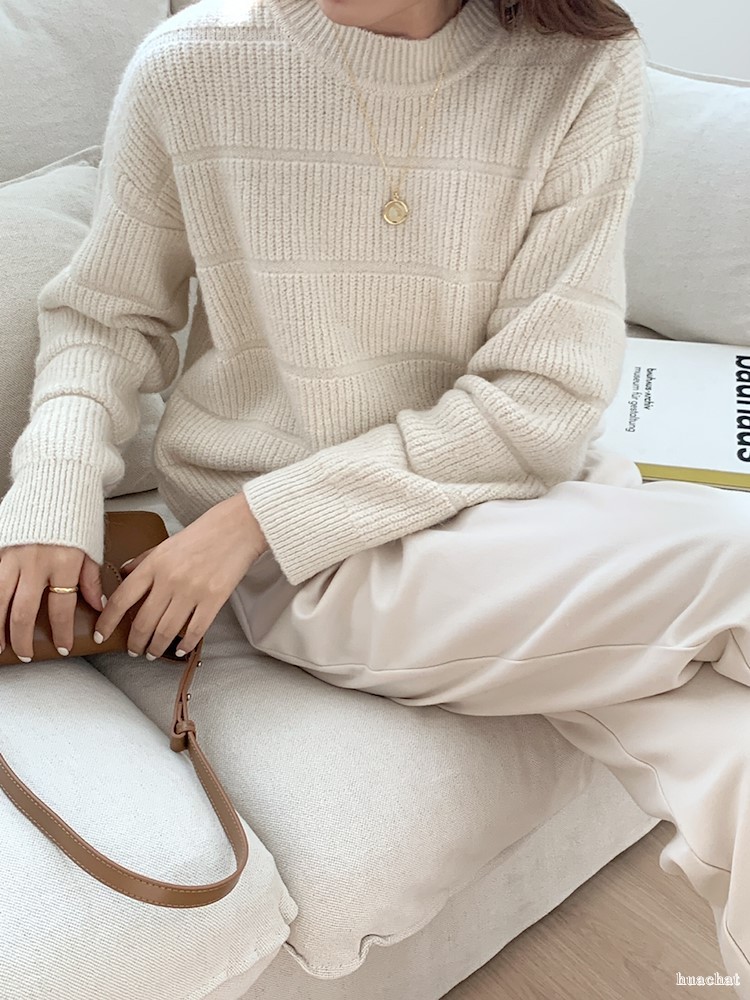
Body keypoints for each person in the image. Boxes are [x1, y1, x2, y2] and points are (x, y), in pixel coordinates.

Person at [0, 0, 748, 992]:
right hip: (322, 562)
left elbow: (542, 399)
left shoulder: (579, 66)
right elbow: (105, 318)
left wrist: (253, 517)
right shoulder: (194, 65)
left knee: (735, 757)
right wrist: (51, 498)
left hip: (519, 496)